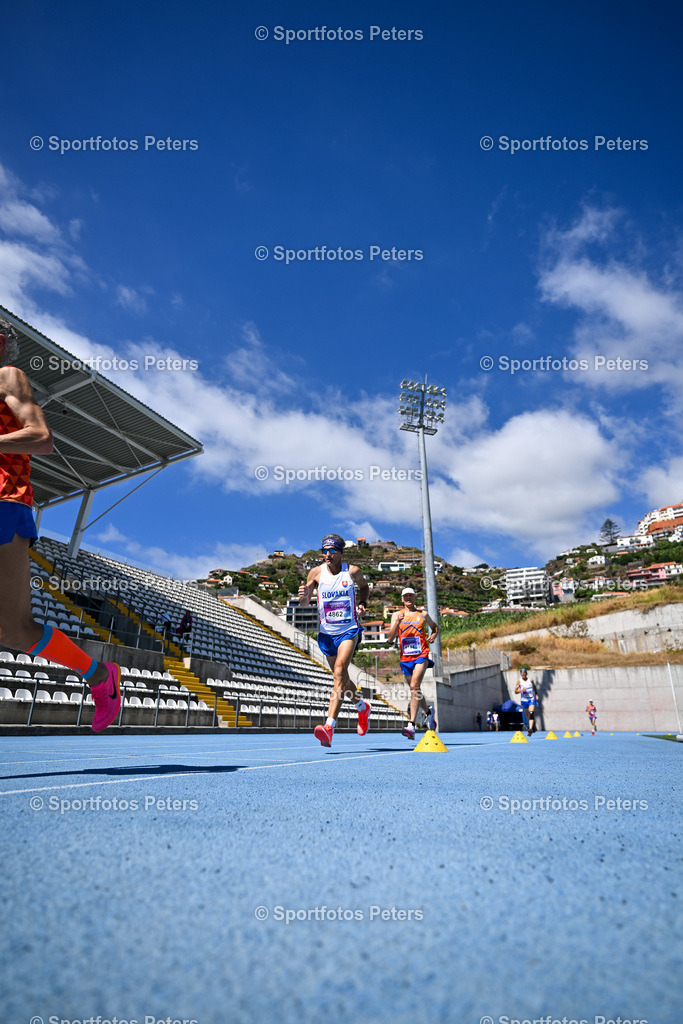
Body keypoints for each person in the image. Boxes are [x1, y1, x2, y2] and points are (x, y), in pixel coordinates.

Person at [0, 325, 121, 732]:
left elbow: (41, 436)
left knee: (15, 631)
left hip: (5, 503)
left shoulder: (8, 376)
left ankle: (100, 676)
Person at [298, 533, 370, 747]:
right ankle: (361, 707)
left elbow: (364, 588)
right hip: (326, 633)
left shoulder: (353, 571)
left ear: (340, 552)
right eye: (324, 551)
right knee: (343, 679)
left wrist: (363, 604)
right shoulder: (316, 573)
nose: (327, 555)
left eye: (332, 551)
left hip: (349, 629)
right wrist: (303, 594)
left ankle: (329, 727)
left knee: (339, 671)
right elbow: (304, 603)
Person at [386, 587, 438, 741]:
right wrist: (396, 623)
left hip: (421, 655)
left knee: (414, 687)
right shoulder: (396, 615)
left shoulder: (422, 614)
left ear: (415, 598)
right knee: (415, 689)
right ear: (402, 599)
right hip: (405, 658)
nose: (408, 598)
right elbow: (390, 638)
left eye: (411, 595)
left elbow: (434, 627)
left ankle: (411, 725)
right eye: (405, 596)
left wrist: (433, 636)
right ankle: (428, 712)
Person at [515, 667, 539, 738]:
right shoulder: (519, 681)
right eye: (522, 674)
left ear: (526, 674)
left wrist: (536, 693)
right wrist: (521, 690)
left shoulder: (530, 680)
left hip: (531, 699)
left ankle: (530, 729)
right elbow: (515, 691)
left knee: (531, 714)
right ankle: (533, 724)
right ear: (520, 674)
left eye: (524, 673)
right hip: (524, 700)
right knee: (528, 715)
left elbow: (534, 686)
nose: (523, 675)